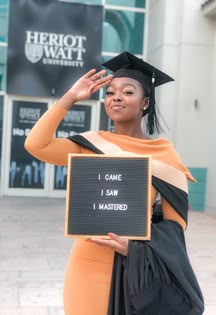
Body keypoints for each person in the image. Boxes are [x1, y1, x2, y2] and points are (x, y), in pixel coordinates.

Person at [25, 51, 204, 315]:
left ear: (145, 102)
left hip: (134, 267)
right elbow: (36, 144)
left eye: (128, 92)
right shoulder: (90, 144)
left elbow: (175, 224)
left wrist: (137, 249)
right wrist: (70, 96)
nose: (116, 97)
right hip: (86, 263)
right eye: (110, 93)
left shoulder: (165, 154)